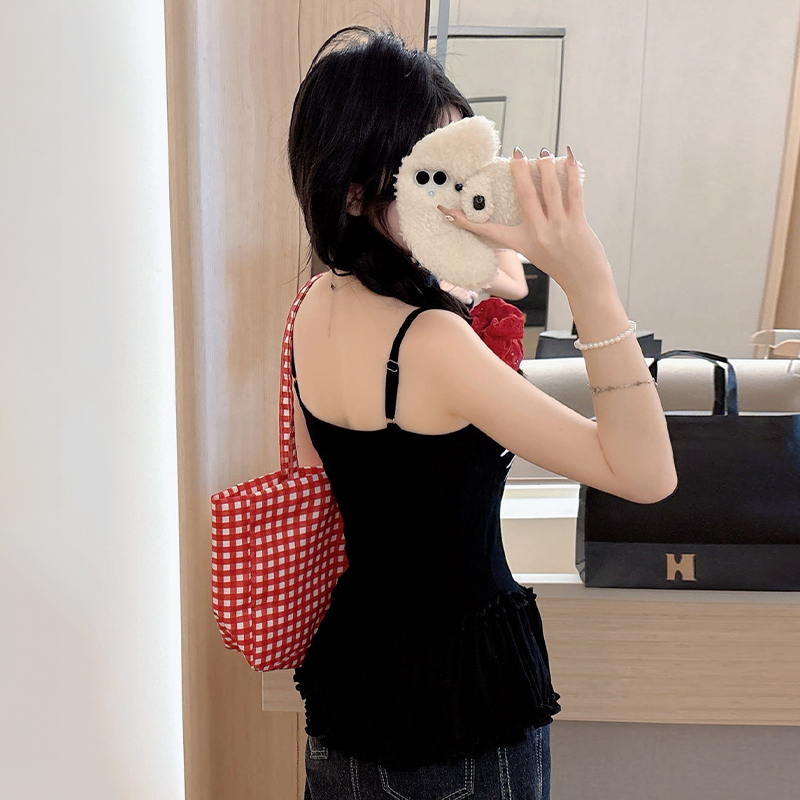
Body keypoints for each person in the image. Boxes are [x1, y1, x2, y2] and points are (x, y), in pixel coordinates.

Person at [286, 25, 677, 800]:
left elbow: (320, 474)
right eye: (430, 175)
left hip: (355, 678)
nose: (452, 198)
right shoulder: (433, 342)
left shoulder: (314, 305)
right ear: (356, 192)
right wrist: (589, 276)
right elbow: (646, 474)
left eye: (461, 168)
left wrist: (485, 237)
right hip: (459, 705)